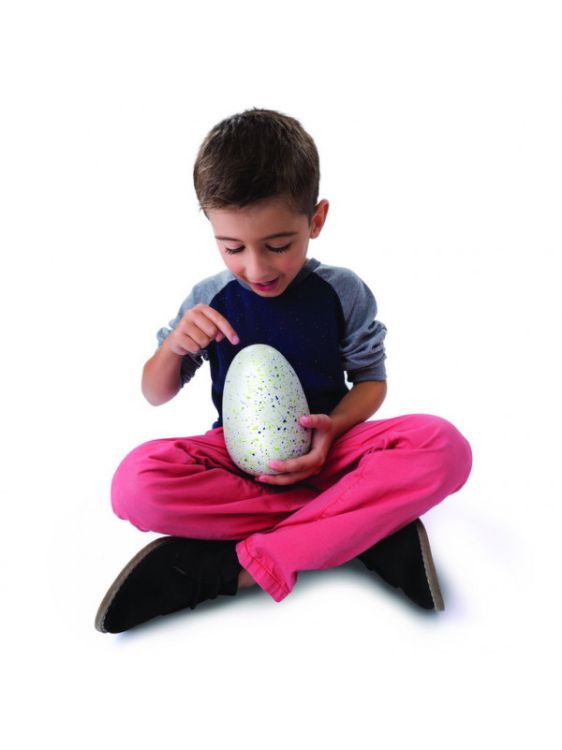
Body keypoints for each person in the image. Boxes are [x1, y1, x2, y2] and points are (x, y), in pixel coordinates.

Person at [95, 108, 473, 634]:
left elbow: (371, 382)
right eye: (232, 247)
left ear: (315, 220)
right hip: (238, 459)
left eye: (278, 246)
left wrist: (334, 428)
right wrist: (175, 346)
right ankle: (360, 527)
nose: (256, 268)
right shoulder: (209, 300)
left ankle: (238, 567)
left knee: (443, 446)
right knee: (135, 485)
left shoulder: (342, 292)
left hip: (333, 448)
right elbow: (154, 393)